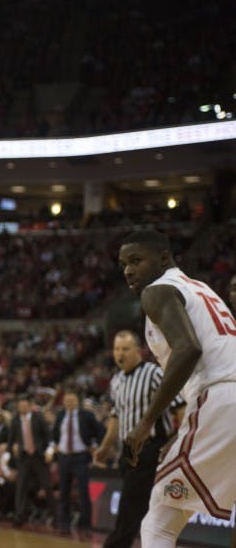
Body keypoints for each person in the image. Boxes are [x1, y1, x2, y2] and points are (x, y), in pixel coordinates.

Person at [118, 230, 236, 548]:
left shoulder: (157, 291)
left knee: (159, 522)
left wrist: (144, 425)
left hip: (221, 401)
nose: (128, 270)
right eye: (124, 263)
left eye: (136, 260)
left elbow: (188, 350)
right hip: (223, 401)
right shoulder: (201, 289)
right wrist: (181, 432)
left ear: (164, 258)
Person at [93, 329, 184, 548]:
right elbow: (116, 417)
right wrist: (105, 447)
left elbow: (180, 408)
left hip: (150, 449)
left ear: (139, 351)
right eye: (116, 349)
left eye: (125, 348)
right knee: (140, 508)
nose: (119, 353)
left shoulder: (154, 373)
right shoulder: (116, 380)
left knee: (129, 507)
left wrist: (176, 443)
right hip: (127, 452)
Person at [48, 390, 102, 535]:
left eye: (72, 400)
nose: (69, 403)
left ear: (77, 401)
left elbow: (100, 430)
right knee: (64, 492)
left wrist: (95, 446)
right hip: (64, 457)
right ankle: (64, 523)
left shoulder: (86, 415)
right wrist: (53, 445)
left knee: (84, 492)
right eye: (66, 400)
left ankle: (86, 525)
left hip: (81, 457)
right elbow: (53, 435)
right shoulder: (60, 416)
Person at [9, 395, 52, 527]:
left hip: (39, 456)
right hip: (24, 457)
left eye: (24, 405)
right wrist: (13, 447)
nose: (22, 408)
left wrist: (49, 450)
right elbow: (11, 440)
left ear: (29, 405)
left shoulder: (38, 417)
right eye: (19, 406)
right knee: (21, 487)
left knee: (47, 485)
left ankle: (55, 516)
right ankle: (20, 516)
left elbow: (48, 435)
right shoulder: (15, 420)